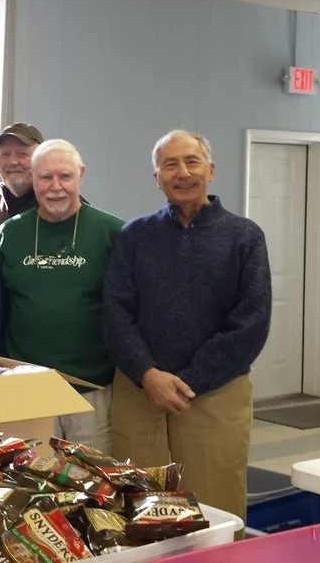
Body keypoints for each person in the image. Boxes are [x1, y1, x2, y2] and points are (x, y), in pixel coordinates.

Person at [103, 129, 271, 526]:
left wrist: (190, 381)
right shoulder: (134, 236)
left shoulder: (244, 237)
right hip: (141, 391)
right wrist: (148, 374)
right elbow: (114, 312)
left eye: (192, 162)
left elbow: (251, 323)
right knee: (140, 507)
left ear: (210, 170)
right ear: (156, 177)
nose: (182, 172)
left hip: (214, 394)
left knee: (215, 509)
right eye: (170, 164)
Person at [0, 139, 123, 451]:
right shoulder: (10, 233)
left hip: (92, 389)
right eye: (45, 177)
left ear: (81, 175)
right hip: (28, 388)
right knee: (32, 473)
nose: (55, 187)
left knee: (91, 475)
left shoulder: (112, 232)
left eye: (65, 176)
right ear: (32, 178)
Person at [0, 122, 43, 239]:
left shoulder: (56, 202)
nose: (12, 162)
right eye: (5, 154)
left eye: (22, 154)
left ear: (41, 159)